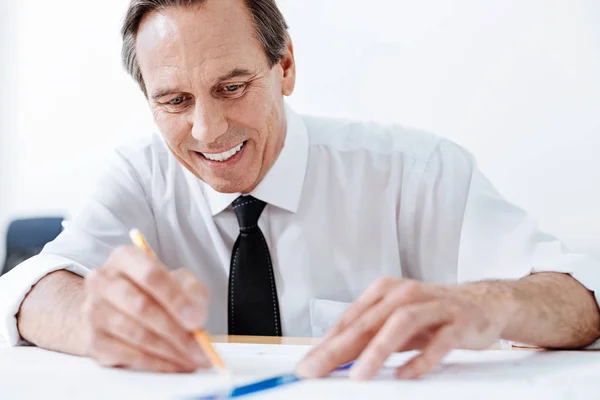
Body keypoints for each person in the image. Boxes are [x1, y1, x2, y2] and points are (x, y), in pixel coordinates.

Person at [1, 0, 599, 380]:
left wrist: (486, 305)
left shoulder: (416, 170)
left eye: (232, 87)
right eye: (175, 101)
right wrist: (88, 317)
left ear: (284, 66)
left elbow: (584, 305)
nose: (207, 131)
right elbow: (31, 291)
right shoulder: (138, 174)